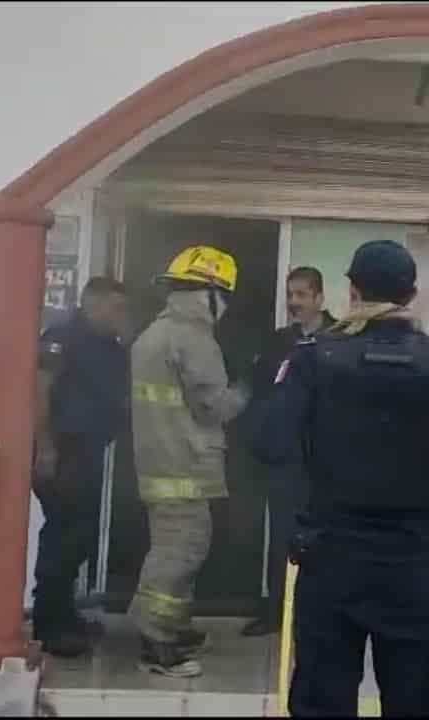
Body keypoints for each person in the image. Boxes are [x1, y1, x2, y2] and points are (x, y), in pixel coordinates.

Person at [254, 239, 429, 717]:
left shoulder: (312, 358)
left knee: (322, 701)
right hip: (411, 562)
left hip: (331, 558)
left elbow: (270, 442)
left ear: (352, 292)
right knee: (413, 700)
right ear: (411, 295)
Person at [128, 245, 250, 678]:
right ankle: (156, 643)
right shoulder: (193, 338)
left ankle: (174, 627)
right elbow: (213, 406)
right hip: (185, 465)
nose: (225, 306)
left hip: (163, 462)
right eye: (224, 296)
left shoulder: (155, 333)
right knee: (179, 554)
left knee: (177, 549)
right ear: (208, 293)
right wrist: (248, 388)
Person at [31, 277, 130, 657]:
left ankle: (66, 615)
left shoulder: (109, 345)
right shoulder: (62, 337)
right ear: (93, 304)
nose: (121, 315)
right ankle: (49, 625)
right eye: (116, 308)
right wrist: (45, 447)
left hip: (88, 450)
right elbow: (41, 390)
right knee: (63, 536)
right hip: (62, 449)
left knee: (81, 536)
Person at [241, 266, 337, 637]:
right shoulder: (278, 342)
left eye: (301, 295)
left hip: (327, 458)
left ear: (319, 298)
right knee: (282, 534)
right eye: (290, 295)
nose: (294, 302)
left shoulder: (341, 338)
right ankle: (277, 610)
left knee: (326, 535)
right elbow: (260, 393)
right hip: (285, 456)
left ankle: (319, 611)